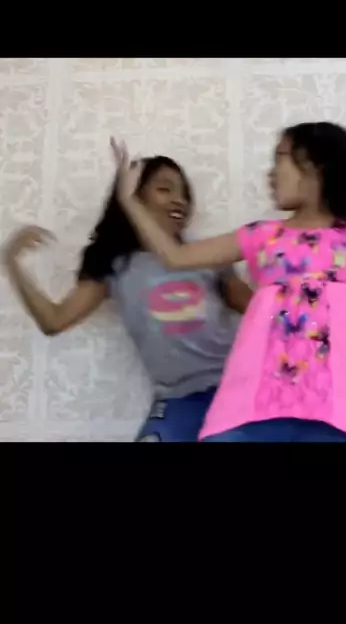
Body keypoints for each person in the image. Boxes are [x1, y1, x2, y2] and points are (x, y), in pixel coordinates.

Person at [108, 100, 346, 443]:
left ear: (314, 165)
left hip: (338, 412)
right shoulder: (263, 236)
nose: (270, 174)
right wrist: (128, 201)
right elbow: (175, 256)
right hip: (258, 409)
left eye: (280, 158)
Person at [2, 155, 252, 442]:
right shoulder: (117, 264)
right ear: (133, 198)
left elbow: (261, 309)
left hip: (235, 389)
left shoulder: (206, 253)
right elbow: (53, 321)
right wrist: (11, 262)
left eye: (184, 194)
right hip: (177, 400)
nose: (179, 200)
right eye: (165, 189)